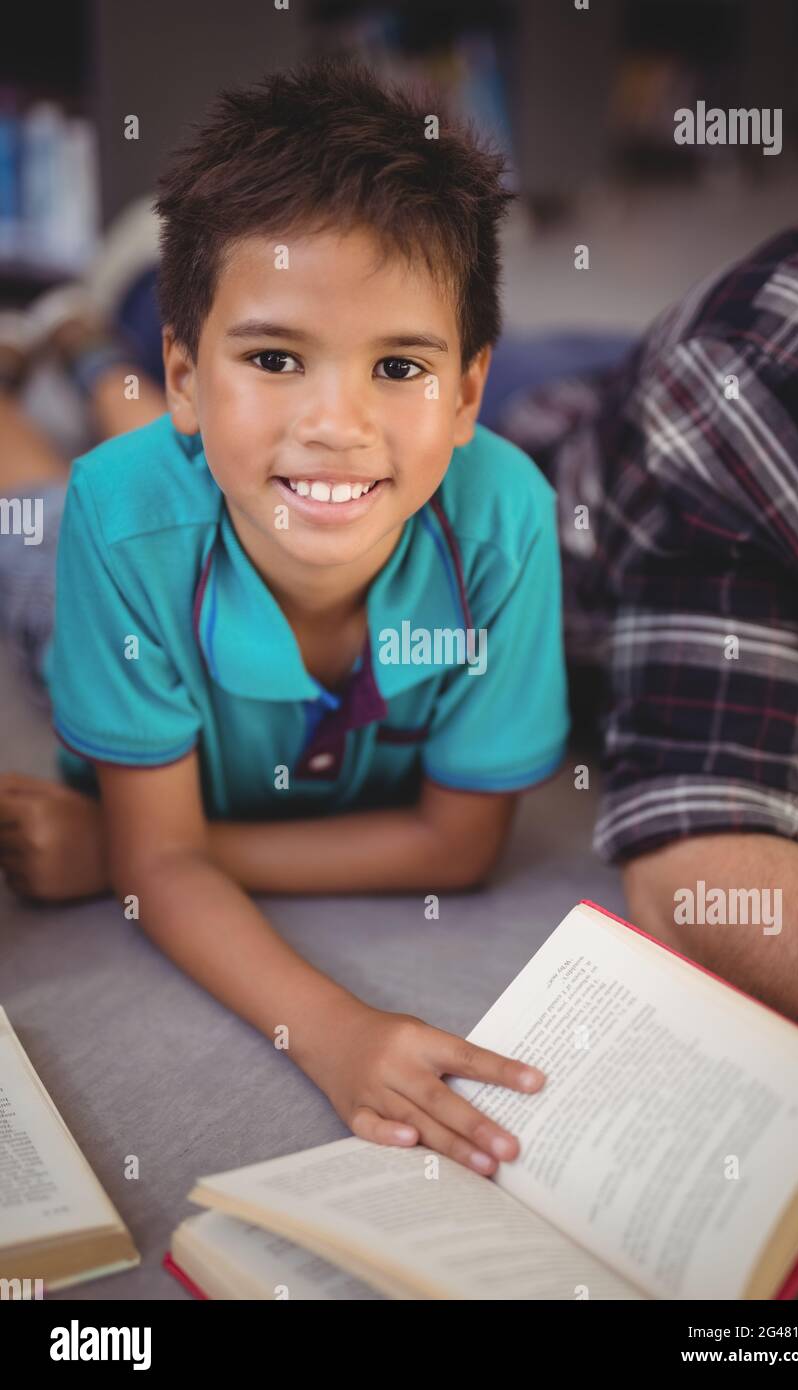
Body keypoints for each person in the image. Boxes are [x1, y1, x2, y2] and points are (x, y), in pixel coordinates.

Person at [0, 59, 572, 1174]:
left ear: (465, 395)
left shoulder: (505, 516)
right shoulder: (119, 528)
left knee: (199, 459)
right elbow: (159, 868)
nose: (335, 423)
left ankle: (73, 341)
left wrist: (121, 849)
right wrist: (333, 1028)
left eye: (398, 365)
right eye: (274, 356)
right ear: (188, 367)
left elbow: (456, 847)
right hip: (101, 547)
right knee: (33, 509)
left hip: (190, 474)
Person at [499, 206, 798, 1064]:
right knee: (361, 346)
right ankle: (143, 280)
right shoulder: (777, 377)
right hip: (566, 460)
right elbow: (693, 865)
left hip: (644, 377)